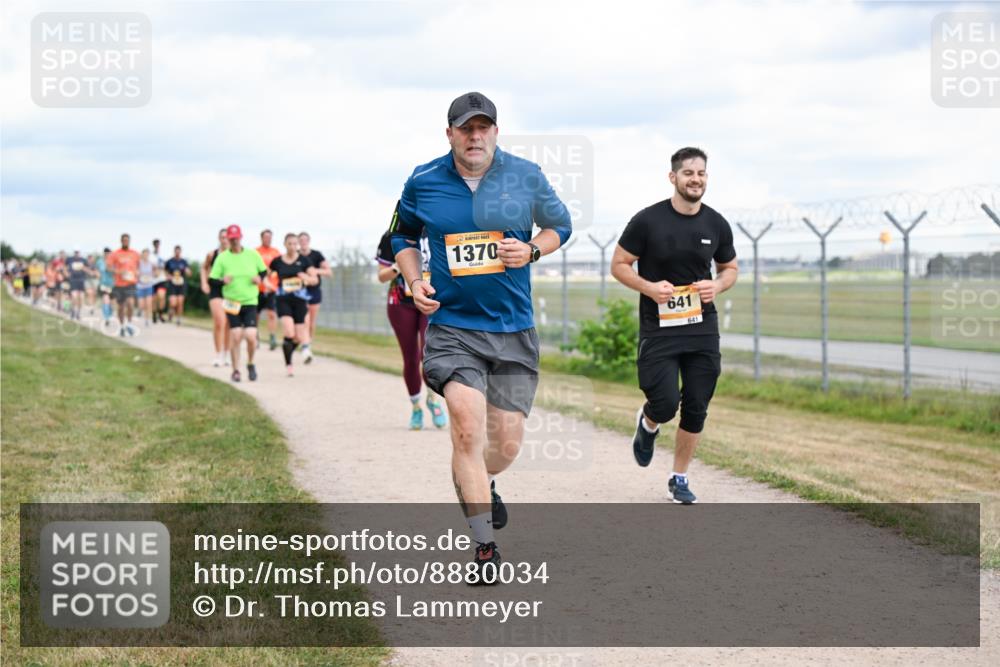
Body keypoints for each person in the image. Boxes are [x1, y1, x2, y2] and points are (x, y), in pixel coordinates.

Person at [391, 91, 572, 581]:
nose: (475, 136)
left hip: (514, 329)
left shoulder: (525, 176)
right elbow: (401, 237)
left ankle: (483, 481)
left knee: (506, 444)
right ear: (449, 133)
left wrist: (533, 250)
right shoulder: (423, 180)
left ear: (496, 131)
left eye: (483, 127)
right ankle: (485, 548)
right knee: (466, 428)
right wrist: (413, 281)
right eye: (465, 128)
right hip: (453, 329)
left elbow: (562, 225)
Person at [611, 147, 739, 505]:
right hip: (659, 327)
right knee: (666, 403)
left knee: (697, 405)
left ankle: (679, 477)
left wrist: (718, 285)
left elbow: (730, 268)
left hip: (702, 328)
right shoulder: (648, 221)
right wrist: (650, 288)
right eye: (688, 173)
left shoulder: (716, 223)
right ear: (673, 177)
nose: (695, 179)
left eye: (701, 173)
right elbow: (619, 264)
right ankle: (649, 421)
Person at [376, 206, 447, 430]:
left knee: (429, 354)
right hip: (400, 303)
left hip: (430, 301)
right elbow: (381, 275)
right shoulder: (392, 235)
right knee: (410, 357)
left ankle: (433, 400)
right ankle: (416, 406)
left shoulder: (438, 231)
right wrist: (401, 265)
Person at [209, 224, 267, 382]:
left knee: (250, 335)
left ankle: (251, 362)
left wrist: (259, 279)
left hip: (250, 301)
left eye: (236, 238)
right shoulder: (222, 257)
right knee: (235, 335)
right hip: (231, 302)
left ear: (241, 237)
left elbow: (263, 271)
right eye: (231, 238)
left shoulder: (252, 254)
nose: (234, 241)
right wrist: (222, 281)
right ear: (228, 239)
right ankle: (235, 370)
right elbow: (212, 279)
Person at [269, 233, 318, 376]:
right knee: (289, 332)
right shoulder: (277, 261)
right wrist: (271, 287)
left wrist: (306, 278)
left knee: (297, 337)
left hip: (300, 300)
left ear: (298, 245)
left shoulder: (304, 261)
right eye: (289, 244)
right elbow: (265, 276)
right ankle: (289, 364)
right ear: (285, 244)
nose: (292, 246)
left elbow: (315, 279)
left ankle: (289, 350)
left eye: (295, 244)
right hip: (283, 300)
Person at [298, 231, 331, 362]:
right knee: (304, 320)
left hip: (314, 291)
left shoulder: (317, 255)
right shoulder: (296, 257)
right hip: (300, 292)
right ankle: (305, 347)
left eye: (305, 239)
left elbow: (329, 272)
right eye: (301, 240)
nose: (303, 242)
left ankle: (308, 344)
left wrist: (313, 271)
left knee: (311, 321)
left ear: (309, 241)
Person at [202, 229, 231, 367]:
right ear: (219, 238)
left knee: (229, 324)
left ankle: (227, 354)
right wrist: (204, 283)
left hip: (231, 291)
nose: (224, 240)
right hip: (215, 290)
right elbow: (204, 268)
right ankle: (218, 354)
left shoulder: (235, 255)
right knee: (220, 321)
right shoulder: (212, 254)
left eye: (227, 237)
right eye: (222, 237)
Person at [108, 234, 141, 336]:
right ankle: (122, 326)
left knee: (131, 303)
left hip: (131, 283)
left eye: (127, 240)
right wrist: (118, 272)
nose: (126, 242)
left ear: (129, 241)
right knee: (121, 307)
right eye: (124, 240)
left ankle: (129, 324)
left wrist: (137, 273)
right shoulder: (115, 254)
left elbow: (139, 267)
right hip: (119, 284)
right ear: (121, 241)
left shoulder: (135, 254)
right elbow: (109, 268)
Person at [256, 229, 282, 351]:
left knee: (272, 314)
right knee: (256, 315)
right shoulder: (256, 252)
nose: (268, 239)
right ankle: (255, 337)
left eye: (270, 237)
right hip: (258, 289)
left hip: (272, 289)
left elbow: (281, 268)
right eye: (266, 237)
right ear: (261, 238)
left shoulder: (276, 252)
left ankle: (272, 338)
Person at [164, 245, 191, 326]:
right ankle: (170, 312)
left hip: (181, 284)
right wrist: (168, 276)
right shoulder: (169, 261)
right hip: (172, 284)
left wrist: (187, 271)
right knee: (173, 303)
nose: (177, 253)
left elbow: (189, 273)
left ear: (180, 252)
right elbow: (165, 271)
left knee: (180, 302)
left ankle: (179, 319)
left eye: (179, 251)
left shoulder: (184, 262)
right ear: (174, 252)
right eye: (176, 251)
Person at [65, 250, 91, 320]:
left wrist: (85, 269)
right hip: (73, 280)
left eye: (78, 252)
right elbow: (65, 267)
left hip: (81, 281)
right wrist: (66, 273)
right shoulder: (70, 259)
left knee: (81, 298)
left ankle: (78, 313)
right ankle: (72, 310)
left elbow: (88, 269)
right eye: (75, 252)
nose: (76, 254)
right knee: (74, 296)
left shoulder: (83, 260)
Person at [95, 247, 115, 327]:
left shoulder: (113, 262)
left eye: (109, 254)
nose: (108, 255)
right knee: (106, 300)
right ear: (104, 254)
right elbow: (96, 270)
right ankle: (106, 318)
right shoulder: (100, 261)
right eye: (106, 254)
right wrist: (97, 274)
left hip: (112, 285)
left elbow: (116, 271)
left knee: (112, 304)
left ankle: (109, 315)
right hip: (103, 284)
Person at [150, 238, 169, 323]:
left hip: (162, 279)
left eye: (158, 244)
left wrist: (167, 274)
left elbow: (165, 267)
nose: (157, 246)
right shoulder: (150, 256)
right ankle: (154, 314)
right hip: (153, 281)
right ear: (153, 245)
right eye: (156, 244)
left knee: (161, 296)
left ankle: (160, 314)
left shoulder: (163, 255)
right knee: (154, 299)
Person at [136, 249, 156, 326]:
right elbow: (135, 271)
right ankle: (140, 310)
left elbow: (155, 272)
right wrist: (137, 273)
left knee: (148, 304)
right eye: (144, 254)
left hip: (149, 286)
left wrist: (154, 274)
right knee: (141, 305)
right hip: (140, 286)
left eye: (147, 254)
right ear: (142, 255)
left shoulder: (151, 264)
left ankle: (147, 320)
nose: (146, 255)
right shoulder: (139, 263)